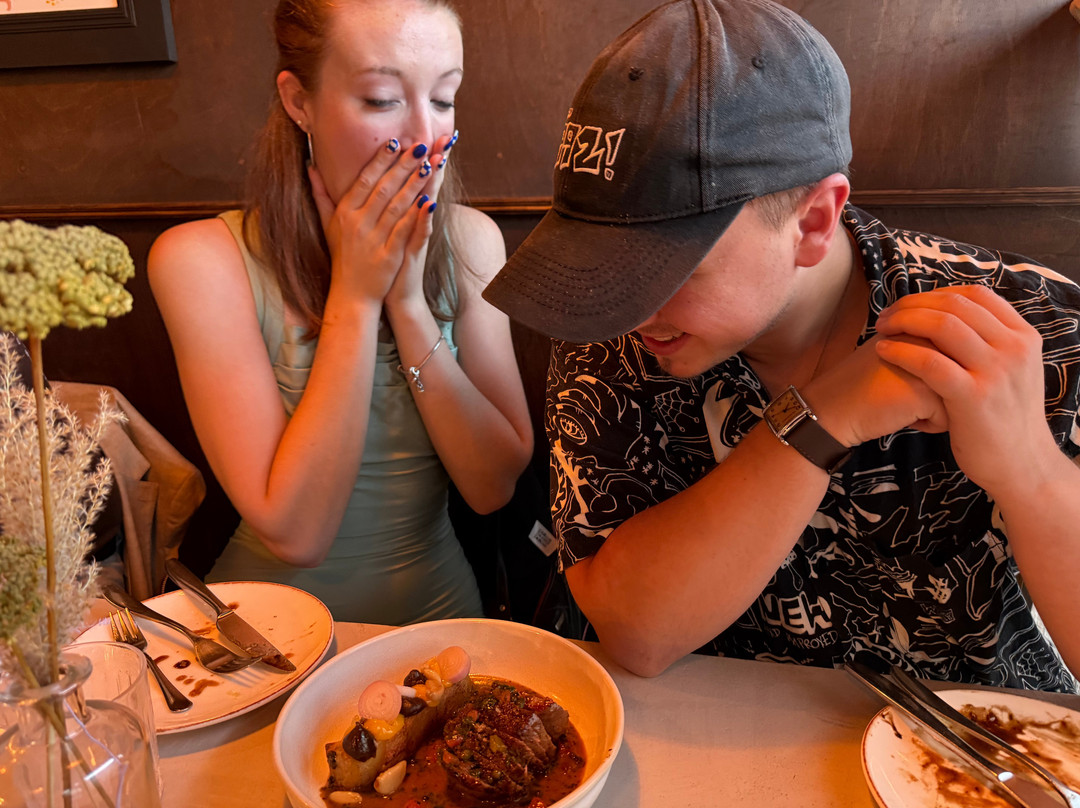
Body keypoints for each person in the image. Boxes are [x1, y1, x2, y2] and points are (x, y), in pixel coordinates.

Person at [482, 0, 1080, 691]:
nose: (629, 308)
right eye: (599, 264)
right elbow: (636, 630)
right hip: (722, 732)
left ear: (815, 221)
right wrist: (818, 421)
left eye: (669, 270)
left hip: (979, 742)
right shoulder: (608, 323)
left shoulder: (1031, 325)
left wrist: (1031, 472)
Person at [148, 0, 533, 624]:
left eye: (444, 99)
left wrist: (407, 304)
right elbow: (297, 535)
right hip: (272, 636)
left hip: (440, 623)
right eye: (382, 100)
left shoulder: (472, 242)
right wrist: (354, 297)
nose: (423, 137)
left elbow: (492, 489)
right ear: (299, 101)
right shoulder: (202, 260)